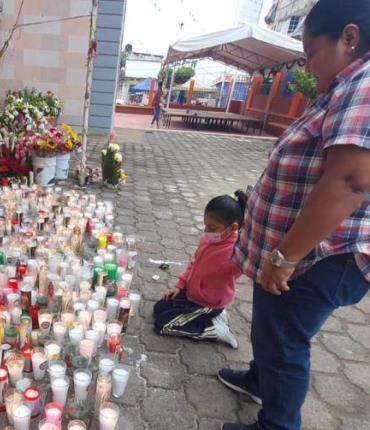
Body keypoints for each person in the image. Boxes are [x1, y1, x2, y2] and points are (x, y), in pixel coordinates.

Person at [218, 1, 370, 429]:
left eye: (312, 54)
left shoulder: (364, 85)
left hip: (324, 255)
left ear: (350, 38)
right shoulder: (344, 85)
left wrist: (286, 257)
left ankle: (277, 423)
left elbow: (350, 182)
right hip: (301, 250)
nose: (309, 66)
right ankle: (259, 380)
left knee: (285, 340)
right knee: (271, 325)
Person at [153, 191, 246, 348]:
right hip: (192, 294)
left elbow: (247, 264)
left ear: (233, 227)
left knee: (162, 325)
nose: (207, 232)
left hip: (207, 303)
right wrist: (179, 286)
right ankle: (215, 317)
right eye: (206, 226)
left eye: (212, 227)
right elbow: (195, 263)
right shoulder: (208, 239)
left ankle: (216, 329)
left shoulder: (235, 252)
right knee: (159, 308)